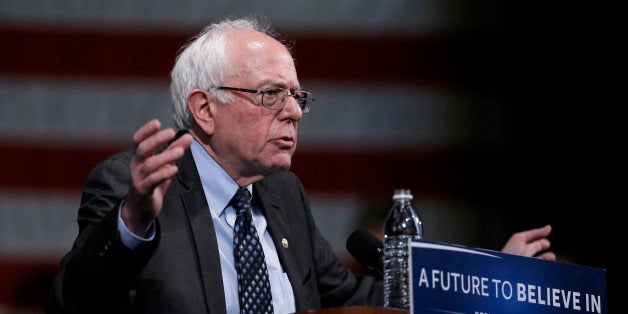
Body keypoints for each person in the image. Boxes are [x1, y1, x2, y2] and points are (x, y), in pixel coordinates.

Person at [45, 16, 555, 314]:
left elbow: (360, 296)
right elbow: (75, 301)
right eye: (270, 95)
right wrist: (132, 223)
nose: (293, 111)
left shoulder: (283, 193)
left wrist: (490, 279)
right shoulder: (132, 188)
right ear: (205, 110)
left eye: (297, 96)